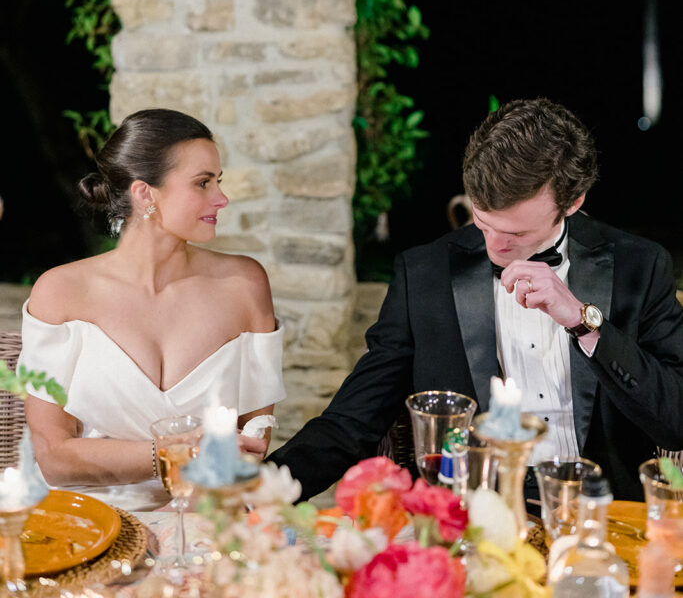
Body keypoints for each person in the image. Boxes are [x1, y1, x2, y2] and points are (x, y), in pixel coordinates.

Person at [271, 98, 683, 501]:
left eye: (517, 235)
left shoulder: (639, 267)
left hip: (605, 516)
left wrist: (583, 322)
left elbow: (676, 421)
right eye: (483, 223)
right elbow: (350, 421)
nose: (495, 248)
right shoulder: (424, 275)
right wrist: (256, 490)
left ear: (573, 202)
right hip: (473, 517)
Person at [20, 108, 285, 510]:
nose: (222, 198)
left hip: (210, 518)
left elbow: (254, 436)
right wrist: (171, 454)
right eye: (203, 183)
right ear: (145, 193)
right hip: (91, 523)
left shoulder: (244, 285)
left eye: (218, 181)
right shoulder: (60, 292)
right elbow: (55, 459)